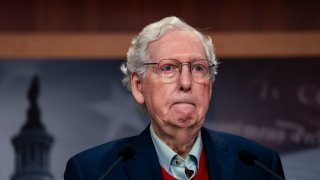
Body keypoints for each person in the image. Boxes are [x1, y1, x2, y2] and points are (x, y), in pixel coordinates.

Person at [64, 16, 285, 180]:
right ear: (138, 86)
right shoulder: (94, 172)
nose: (186, 83)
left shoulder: (259, 166)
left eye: (198, 68)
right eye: (168, 67)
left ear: (209, 86)